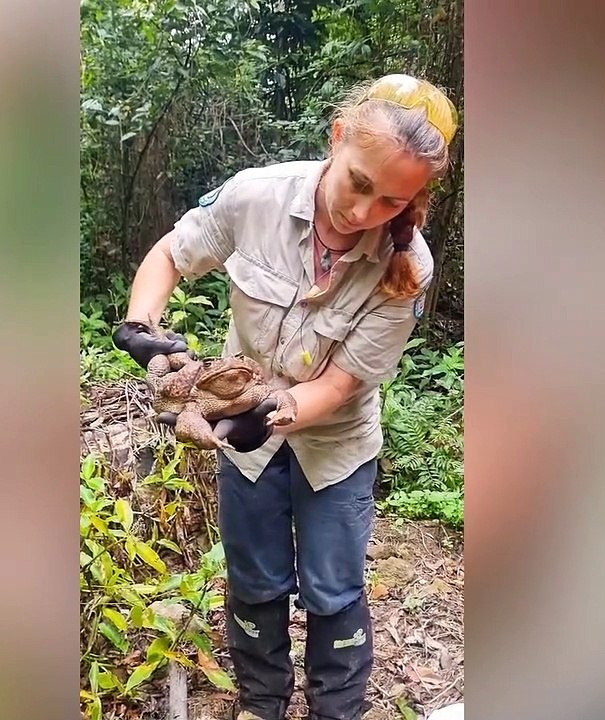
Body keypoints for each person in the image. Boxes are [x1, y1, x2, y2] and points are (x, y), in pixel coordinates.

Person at [112, 73, 458, 720]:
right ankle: (263, 703)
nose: (363, 212)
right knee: (255, 581)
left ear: (414, 199)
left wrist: (272, 415)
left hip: (335, 446)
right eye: (358, 182)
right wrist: (143, 329)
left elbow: (341, 383)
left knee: (333, 588)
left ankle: (336, 707)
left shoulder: (410, 267)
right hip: (243, 439)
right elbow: (170, 255)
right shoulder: (256, 197)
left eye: (390, 202)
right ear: (337, 139)